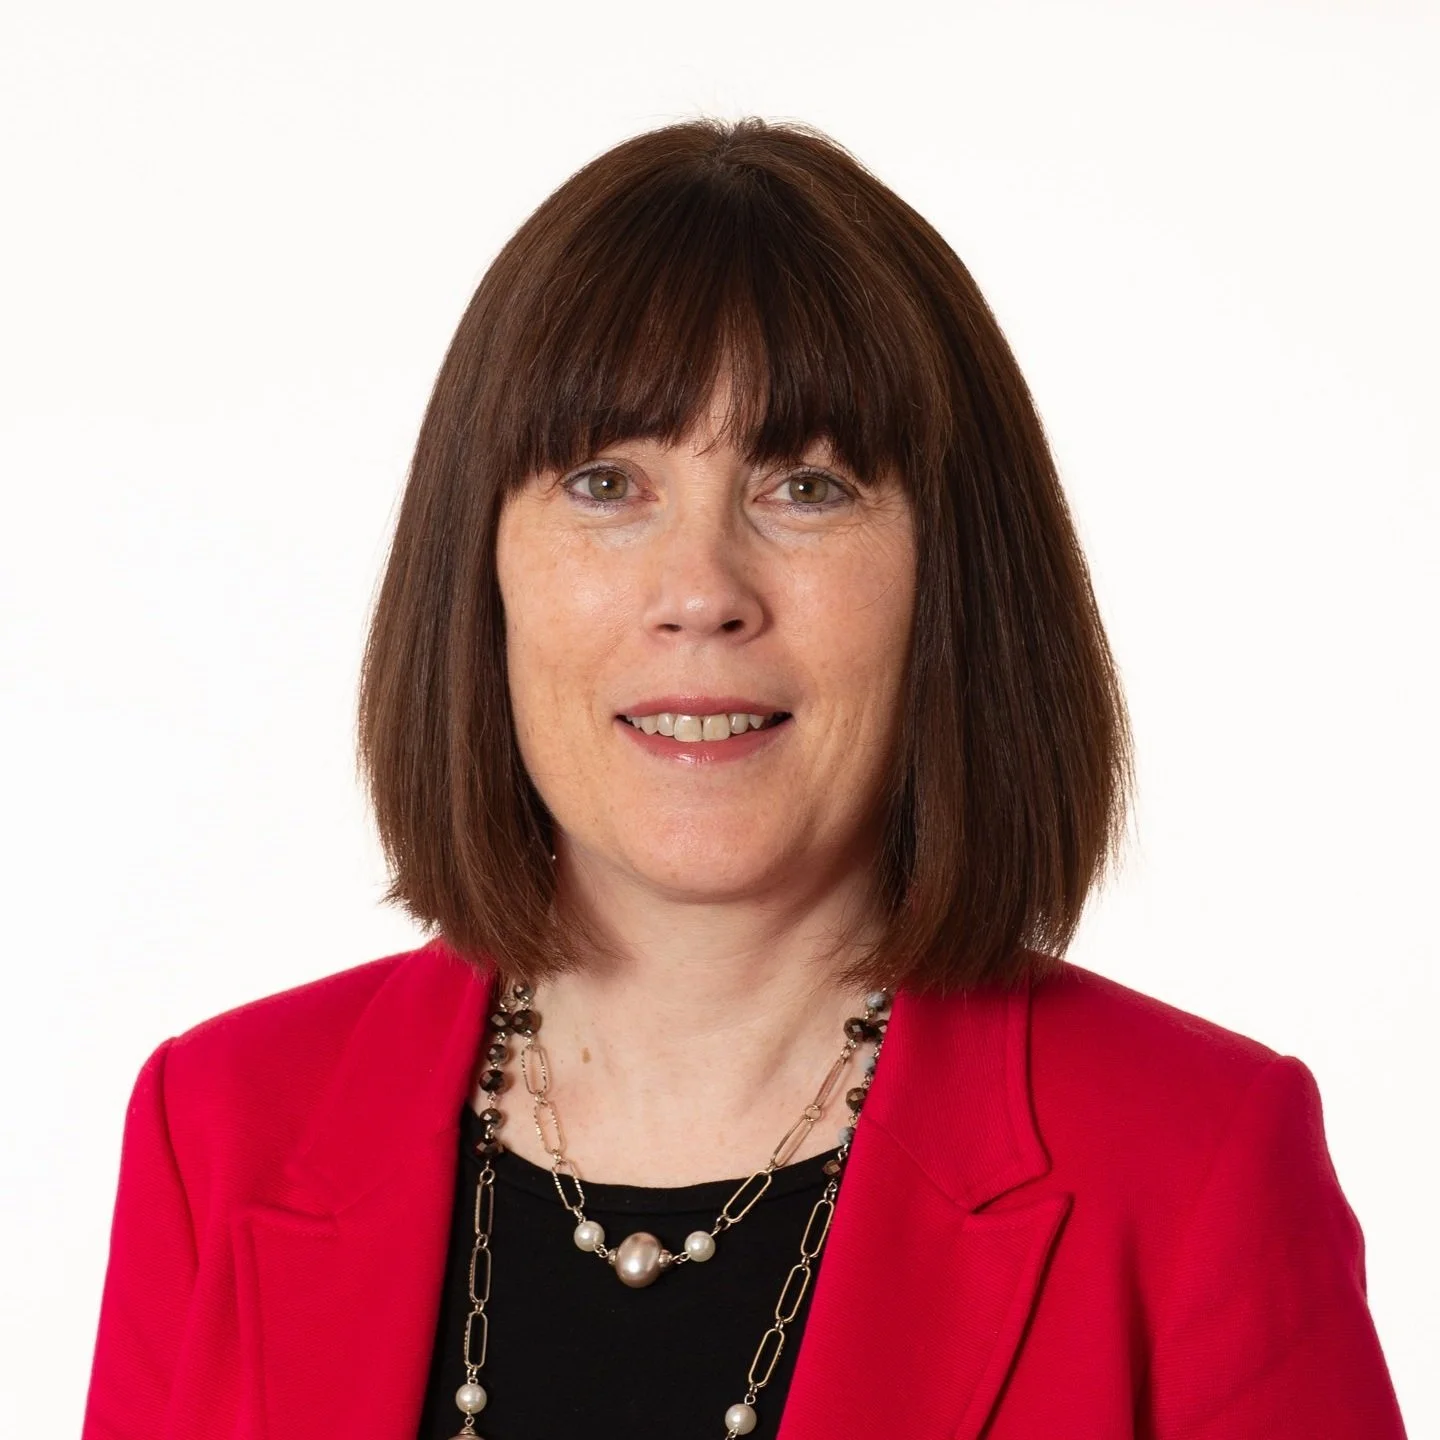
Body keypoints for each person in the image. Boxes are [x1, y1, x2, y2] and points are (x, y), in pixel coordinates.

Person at [81, 117, 1408, 1440]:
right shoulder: (221, 1132)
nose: (702, 593)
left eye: (810, 488)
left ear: (956, 581)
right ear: (475, 571)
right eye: (606, 484)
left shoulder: (1196, 1164)